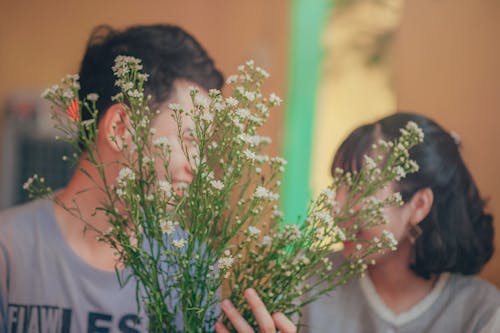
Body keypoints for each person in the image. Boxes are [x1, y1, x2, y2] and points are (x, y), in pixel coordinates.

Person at [0, 24, 296, 333]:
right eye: (189, 139)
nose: (199, 167)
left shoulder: (192, 269)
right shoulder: (9, 252)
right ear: (120, 129)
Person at [302, 112, 500, 332]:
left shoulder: (482, 312)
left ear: (418, 205)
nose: (335, 207)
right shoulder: (308, 282)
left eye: (359, 188)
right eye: (338, 184)